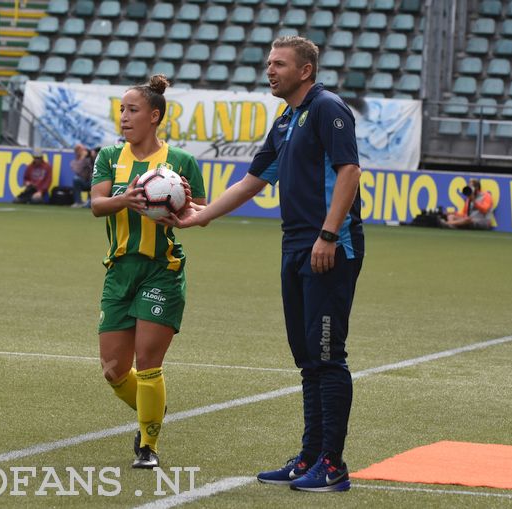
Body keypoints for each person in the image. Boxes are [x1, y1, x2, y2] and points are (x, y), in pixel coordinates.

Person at [165, 36, 363, 492]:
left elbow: (349, 172)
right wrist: (201, 215)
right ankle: (310, 457)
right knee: (307, 356)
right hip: (295, 246)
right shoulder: (286, 119)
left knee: (328, 355)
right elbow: (254, 180)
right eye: (269, 63)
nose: (269, 71)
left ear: (305, 70)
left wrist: (328, 235)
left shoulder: (328, 107)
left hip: (329, 246)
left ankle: (333, 466)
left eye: (279, 64)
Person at [90, 74, 206, 469]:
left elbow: (199, 211)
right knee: (113, 369)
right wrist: (126, 198)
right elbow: (96, 204)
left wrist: (181, 211)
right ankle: (150, 406)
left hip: (162, 269)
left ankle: (148, 446)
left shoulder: (181, 162)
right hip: (120, 269)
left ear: (154, 116)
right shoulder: (109, 156)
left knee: (149, 361)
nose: (124, 117)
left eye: (132, 110)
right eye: (121, 109)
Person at [70, 143, 93, 208]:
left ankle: (92, 201)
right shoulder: (73, 162)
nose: (82, 151)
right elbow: (78, 170)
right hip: (84, 182)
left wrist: (89, 155)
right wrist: (82, 158)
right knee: (76, 179)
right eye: (79, 150)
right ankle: (78, 202)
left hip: (93, 181)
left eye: (82, 149)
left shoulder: (90, 158)